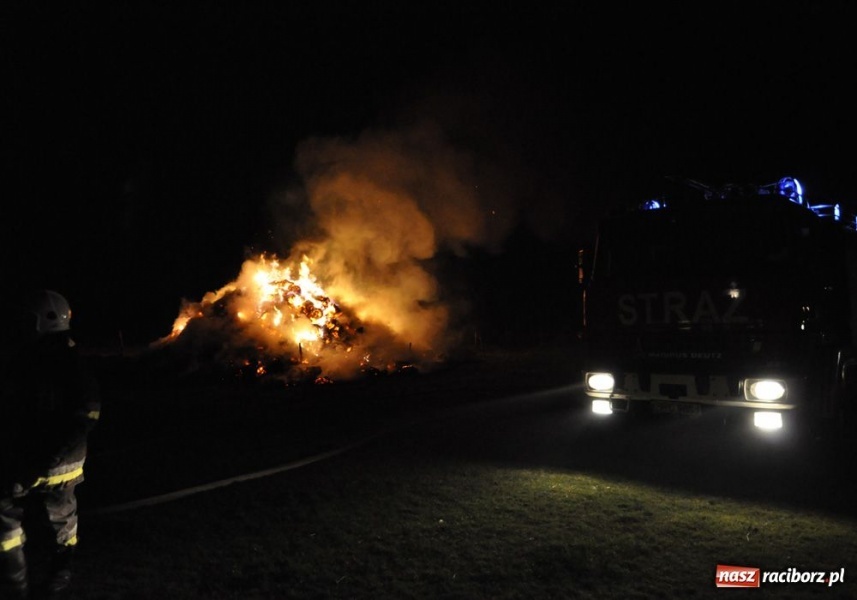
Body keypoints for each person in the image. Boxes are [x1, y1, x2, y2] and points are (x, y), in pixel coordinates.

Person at [0, 290, 101, 599]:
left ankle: (38, 579)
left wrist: (44, 461)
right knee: (53, 520)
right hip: (40, 458)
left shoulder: (63, 364)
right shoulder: (37, 359)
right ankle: (33, 579)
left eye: (29, 321)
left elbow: (86, 413)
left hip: (55, 463)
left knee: (47, 518)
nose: (22, 326)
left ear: (47, 321)